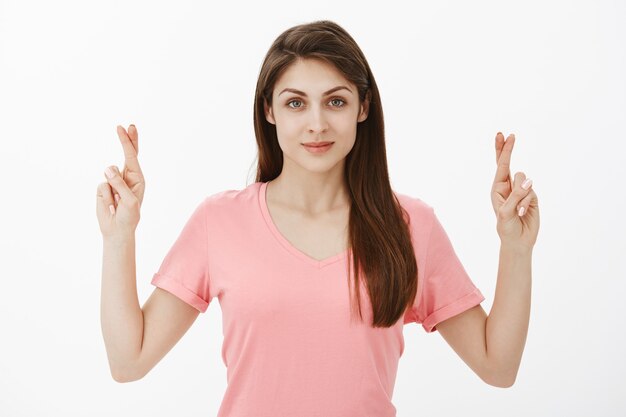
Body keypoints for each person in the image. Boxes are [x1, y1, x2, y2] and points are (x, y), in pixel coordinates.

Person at [96, 19, 540, 417]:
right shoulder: (219, 221)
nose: (316, 124)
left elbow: (497, 367)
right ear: (268, 110)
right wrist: (120, 237)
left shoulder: (410, 225)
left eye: (335, 101)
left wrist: (515, 248)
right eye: (295, 103)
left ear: (362, 108)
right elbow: (128, 361)